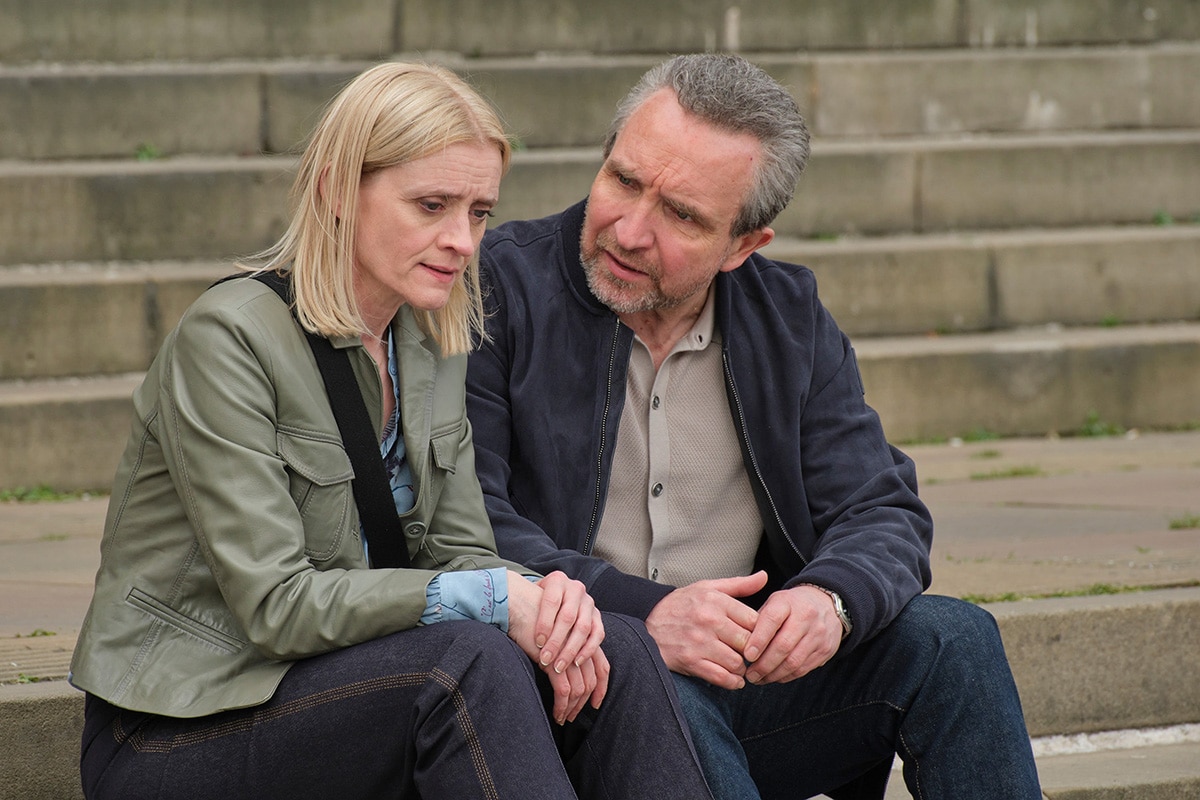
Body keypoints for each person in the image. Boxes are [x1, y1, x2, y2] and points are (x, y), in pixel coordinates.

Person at [68, 61, 714, 800]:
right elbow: (277, 606)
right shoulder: (229, 341)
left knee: (617, 642)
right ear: (336, 191)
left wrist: (552, 601)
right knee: (467, 663)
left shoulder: (429, 342)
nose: (462, 240)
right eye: (431, 205)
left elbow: (463, 552)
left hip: (347, 691)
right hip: (181, 725)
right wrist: (498, 598)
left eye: (479, 212)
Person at [465, 54, 1043, 799]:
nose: (630, 231)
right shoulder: (499, 288)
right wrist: (644, 613)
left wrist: (830, 602)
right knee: (656, 681)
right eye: (624, 181)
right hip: (575, 684)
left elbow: (882, 508)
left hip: (745, 679)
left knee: (955, 642)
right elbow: (466, 518)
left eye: (682, 216)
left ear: (743, 246)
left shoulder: (788, 318)